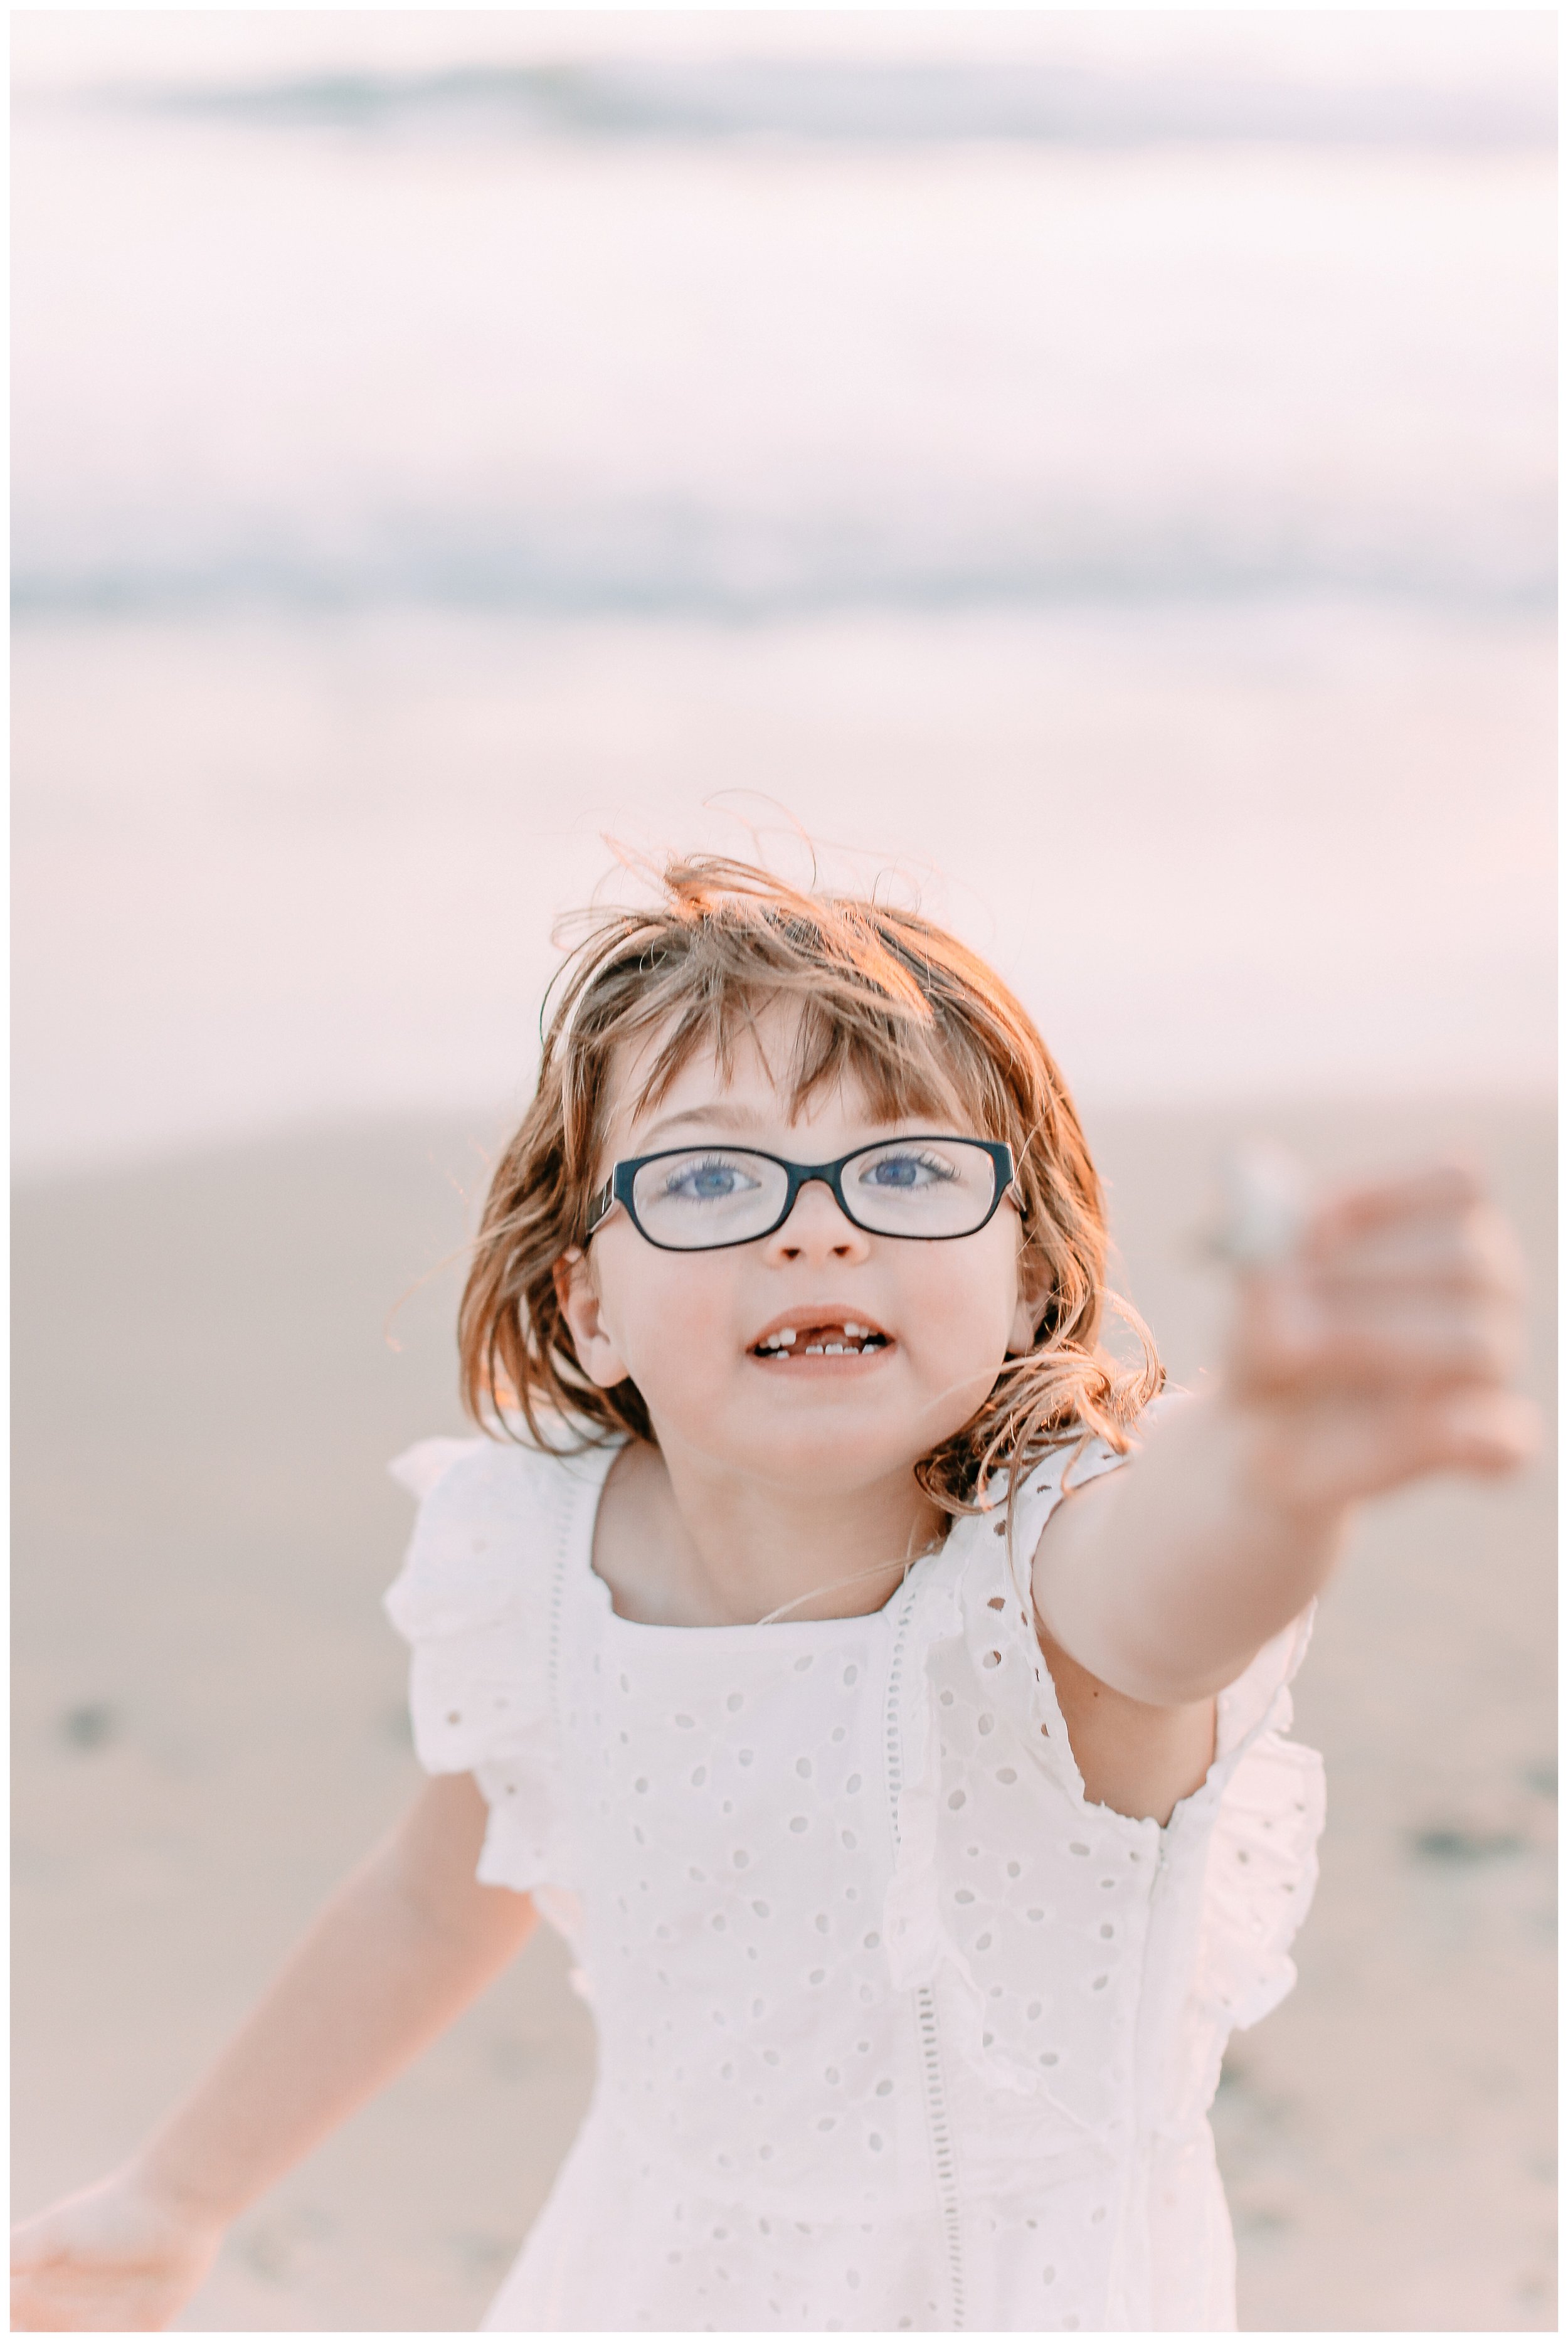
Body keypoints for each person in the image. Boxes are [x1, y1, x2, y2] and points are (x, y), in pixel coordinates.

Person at [11, 855, 1534, 2333]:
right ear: (588, 1301)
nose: (818, 1223)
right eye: (712, 1174)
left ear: (1023, 1278)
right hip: (644, 2271)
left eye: (909, 1168)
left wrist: (1278, 1457)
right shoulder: (544, 1564)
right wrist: (175, 2199)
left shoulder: (1041, 1573)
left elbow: (1181, 1580)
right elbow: (432, 1897)